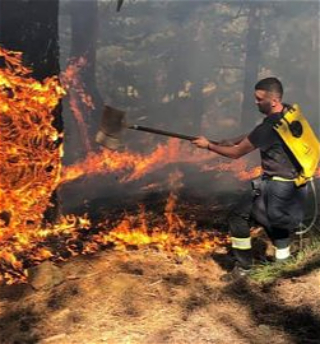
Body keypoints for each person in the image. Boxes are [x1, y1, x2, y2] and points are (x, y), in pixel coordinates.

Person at [192, 77, 309, 280]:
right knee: (270, 218)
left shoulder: (268, 128)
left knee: (238, 216)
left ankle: (244, 268)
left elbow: (235, 154)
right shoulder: (287, 113)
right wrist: (233, 139)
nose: (255, 102)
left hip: (277, 186)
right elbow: (256, 134)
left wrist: (208, 145)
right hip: (293, 182)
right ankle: (284, 259)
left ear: (273, 100)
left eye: (259, 99)